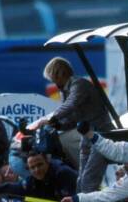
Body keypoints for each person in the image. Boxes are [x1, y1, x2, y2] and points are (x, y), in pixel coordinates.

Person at [31, 56, 114, 191]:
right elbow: (71, 119)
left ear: (60, 74)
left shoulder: (79, 84)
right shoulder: (66, 90)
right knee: (81, 177)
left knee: (89, 178)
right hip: (87, 136)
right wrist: (57, 125)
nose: (53, 82)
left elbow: (71, 104)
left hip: (100, 134)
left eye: (53, 78)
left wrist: (51, 118)